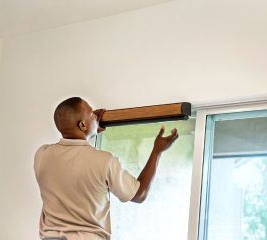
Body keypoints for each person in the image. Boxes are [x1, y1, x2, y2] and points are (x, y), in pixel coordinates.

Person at [34, 97, 178, 240]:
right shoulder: (105, 161)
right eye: (91, 113)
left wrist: (90, 129)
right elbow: (139, 194)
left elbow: (74, 153)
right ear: (82, 125)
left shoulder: (41, 155)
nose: (96, 116)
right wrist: (157, 151)